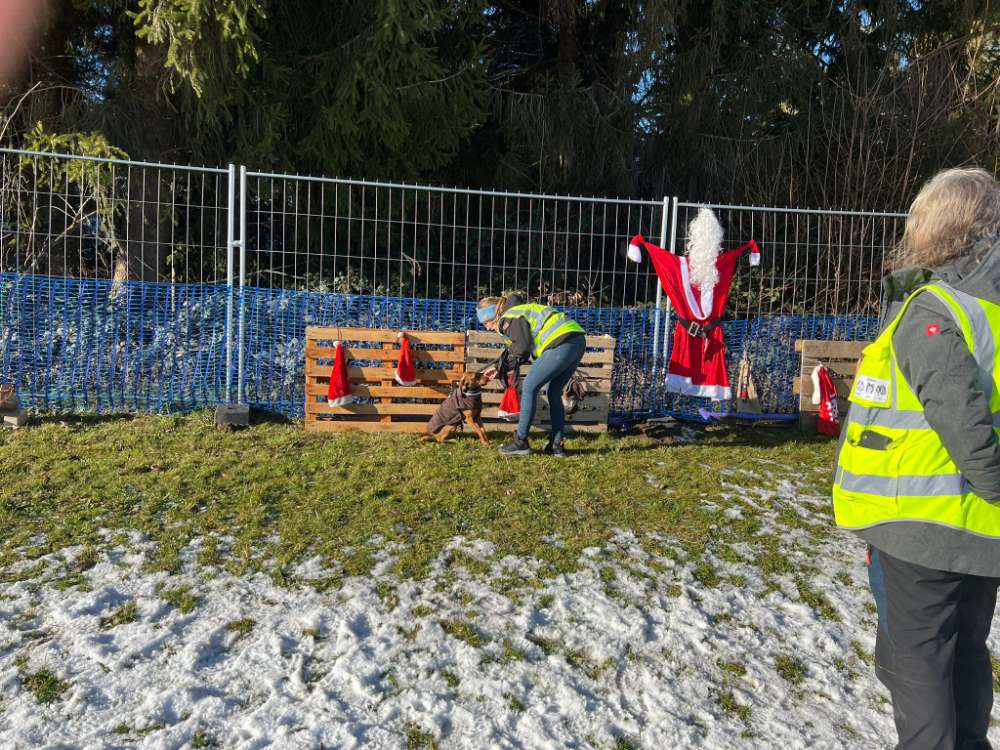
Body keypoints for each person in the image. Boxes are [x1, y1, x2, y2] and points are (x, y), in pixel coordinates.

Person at [832, 167, 1000, 750]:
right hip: (978, 532)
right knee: (963, 657)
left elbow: (964, 423)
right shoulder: (989, 311)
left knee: (919, 665)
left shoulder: (935, 309)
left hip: (921, 526)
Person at [476, 294, 586, 457]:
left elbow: (521, 350)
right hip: (577, 340)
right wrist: (498, 367)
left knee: (529, 387)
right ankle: (557, 445)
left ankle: (520, 442)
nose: (486, 327)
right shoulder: (519, 311)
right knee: (553, 392)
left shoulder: (509, 317)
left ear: (493, 315)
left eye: (486, 322)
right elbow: (516, 348)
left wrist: (502, 369)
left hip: (560, 343)